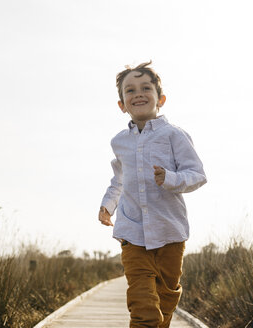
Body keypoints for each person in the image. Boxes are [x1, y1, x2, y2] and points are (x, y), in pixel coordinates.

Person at [98, 61, 207, 328]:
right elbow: (119, 180)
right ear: (122, 104)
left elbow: (197, 175)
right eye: (130, 90)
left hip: (169, 231)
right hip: (132, 232)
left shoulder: (174, 136)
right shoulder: (119, 142)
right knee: (143, 306)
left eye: (146, 88)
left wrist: (170, 179)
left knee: (166, 299)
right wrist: (107, 205)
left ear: (161, 98)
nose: (138, 93)